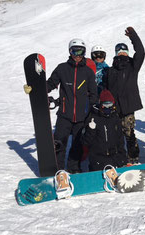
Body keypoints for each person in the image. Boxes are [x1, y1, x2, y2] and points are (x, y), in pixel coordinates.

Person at [24, 38, 97, 173]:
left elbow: (93, 94)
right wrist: (35, 88)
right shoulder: (62, 69)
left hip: (82, 117)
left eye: (80, 51)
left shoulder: (88, 72)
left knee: (77, 145)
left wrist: (92, 113)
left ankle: (74, 168)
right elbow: (51, 84)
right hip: (64, 115)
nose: (77, 55)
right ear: (70, 52)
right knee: (59, 144)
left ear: (84, 52)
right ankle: (58, 169)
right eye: (74, 51)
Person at [105, 27, 145, 164]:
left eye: (124, 51)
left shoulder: (133, 65)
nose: (122, 54)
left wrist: (133, 36)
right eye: (119, 51)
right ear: (116, 53)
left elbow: (141, 52)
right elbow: (107, 89)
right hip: (115, 108)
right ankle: (118, 157)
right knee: (115, 134)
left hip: (128, 106)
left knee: (129, 133)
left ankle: (133, 157)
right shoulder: (111, 70)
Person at [82, 89, 127, 171]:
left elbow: (120, 141)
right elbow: (85, 142)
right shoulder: (93, 118)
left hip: (114, 158)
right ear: (100, 105)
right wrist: (91, 130)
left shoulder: (115, 118)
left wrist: (123, 158)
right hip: (98, 160)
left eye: (110, 106)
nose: (108, 109)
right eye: (105, 106)